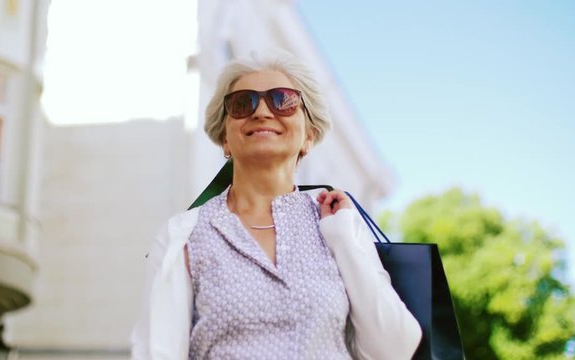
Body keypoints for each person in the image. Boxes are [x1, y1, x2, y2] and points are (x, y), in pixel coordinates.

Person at [131, 51, 421, 359]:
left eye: (283, 100)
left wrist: (345, 240)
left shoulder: (338, 227)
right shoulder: (182, 236)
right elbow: (157, 352)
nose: (262, 112)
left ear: (308, 136)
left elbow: (395, 349)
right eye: (243, 103)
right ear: (225, 139)